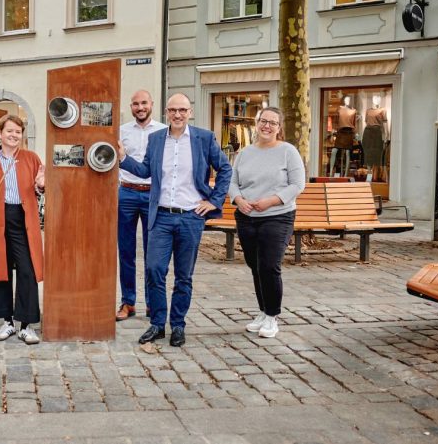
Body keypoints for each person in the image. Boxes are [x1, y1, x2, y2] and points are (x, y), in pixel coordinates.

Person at [118, 93, 231, 348]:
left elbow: (225, 169)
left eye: (182, 110)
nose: (177, 115)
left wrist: (214, 200)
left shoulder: (203, 138)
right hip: (161, 216)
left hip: (191, 217)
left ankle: (177, 324)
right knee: (154, 269)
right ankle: (158, 324)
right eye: (172, 110)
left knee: (183, 276)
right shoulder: (156, 138)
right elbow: (146, 170)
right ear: (166, 113)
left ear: (190, 112)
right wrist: (124, 158)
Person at [228, 107, 305, 339]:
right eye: (263, 121)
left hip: (277, 216)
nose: (267, 126)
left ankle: (272, 316)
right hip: (247, 216)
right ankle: (262, 311)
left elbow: (297, 184)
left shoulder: (287, 152)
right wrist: (239, 200)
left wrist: (271, 202)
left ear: (279, 128)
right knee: (256, 266)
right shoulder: (244, 153)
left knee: (270, 265)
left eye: (273, 122)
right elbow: (232, 183)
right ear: (257, 123)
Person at [0, 115, 45, 344]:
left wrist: (42, 184)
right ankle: (7, 322)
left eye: (18, 132)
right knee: (0, 269)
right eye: (10, 131)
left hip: (23, 219)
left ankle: (27, 325)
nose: (14, 135)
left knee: (27, 269)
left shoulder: (31, 158)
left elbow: (40, 189)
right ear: (0, 133)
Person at [116, 90, 166, 321]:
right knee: (126, 251)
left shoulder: (163, 131)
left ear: (151, 104)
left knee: (152, 252)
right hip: (126, 192)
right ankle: (128, 302)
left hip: (152, 195)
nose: (140, 107)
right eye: (135, 104)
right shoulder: (122, 131)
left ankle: (151, 302)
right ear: (131, 106)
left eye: (144, 103)